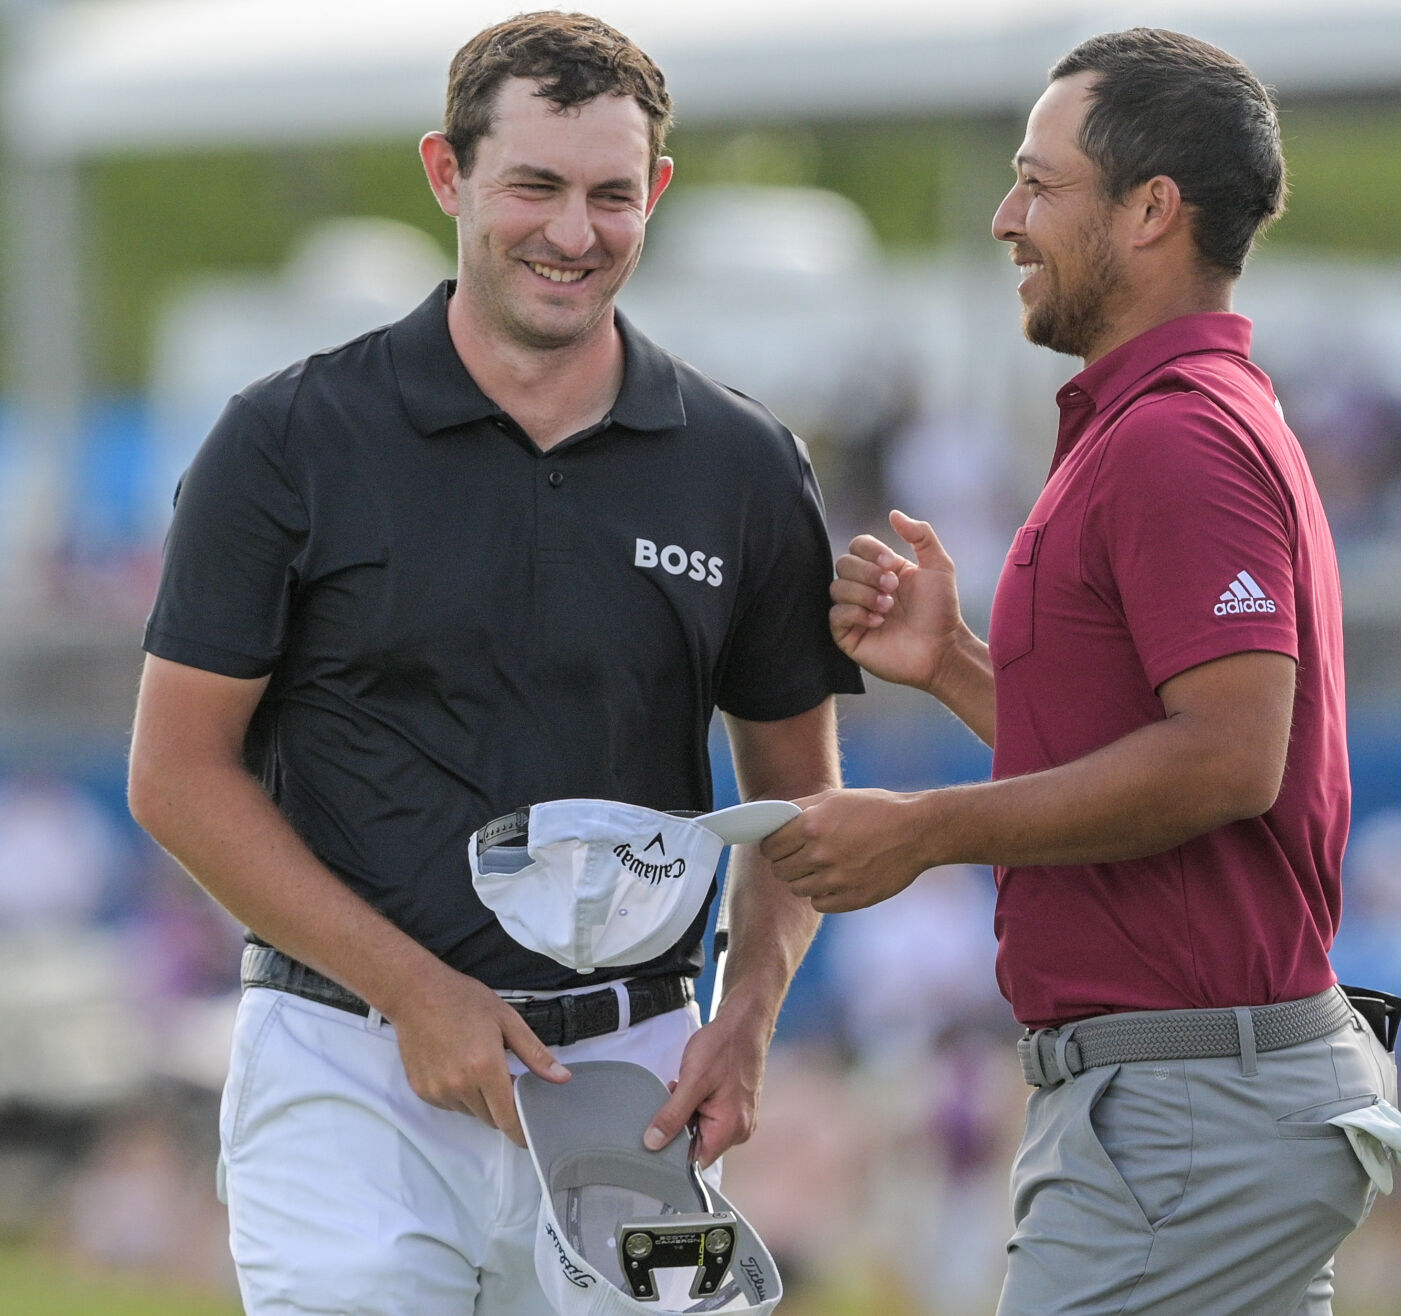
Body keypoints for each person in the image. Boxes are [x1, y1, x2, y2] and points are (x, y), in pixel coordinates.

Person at [126, 12, 861, 1313]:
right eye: (534, 185)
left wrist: (747, 1018)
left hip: (632, 1079)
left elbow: (799, 812)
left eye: (610, 195)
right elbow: (177, 776)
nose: (573, 233)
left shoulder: (743, 468)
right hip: (349, 1070)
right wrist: (414, 991)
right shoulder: (287, 439)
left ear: (658, 196)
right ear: (447, 173)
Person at [762, 27, 1401, 1316]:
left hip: (1183, 1113)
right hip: (1206, 1102)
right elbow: (1148, 752)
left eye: (1039, 184)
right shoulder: (1173, 421)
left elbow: (1226, 759)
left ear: (1152, 211)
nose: (1005, 217)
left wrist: (922, 828)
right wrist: (958, 669)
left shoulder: (1176, 436)